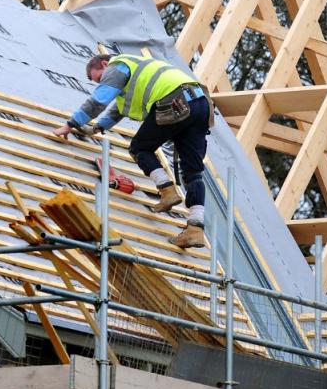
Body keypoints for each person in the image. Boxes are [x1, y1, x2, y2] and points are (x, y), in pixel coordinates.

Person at [52, 52, 213, 248]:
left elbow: (98, 101)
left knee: (139, 148)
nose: (102, 83)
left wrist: (71, 124)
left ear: (104, 63)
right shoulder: (138, 71)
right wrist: (95, 128)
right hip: (201, 102)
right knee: (193, 173)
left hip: (175, 101)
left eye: (100, 78)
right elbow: (118, 109)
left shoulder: (118, 65)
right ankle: (195, 229)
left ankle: (167, 191)